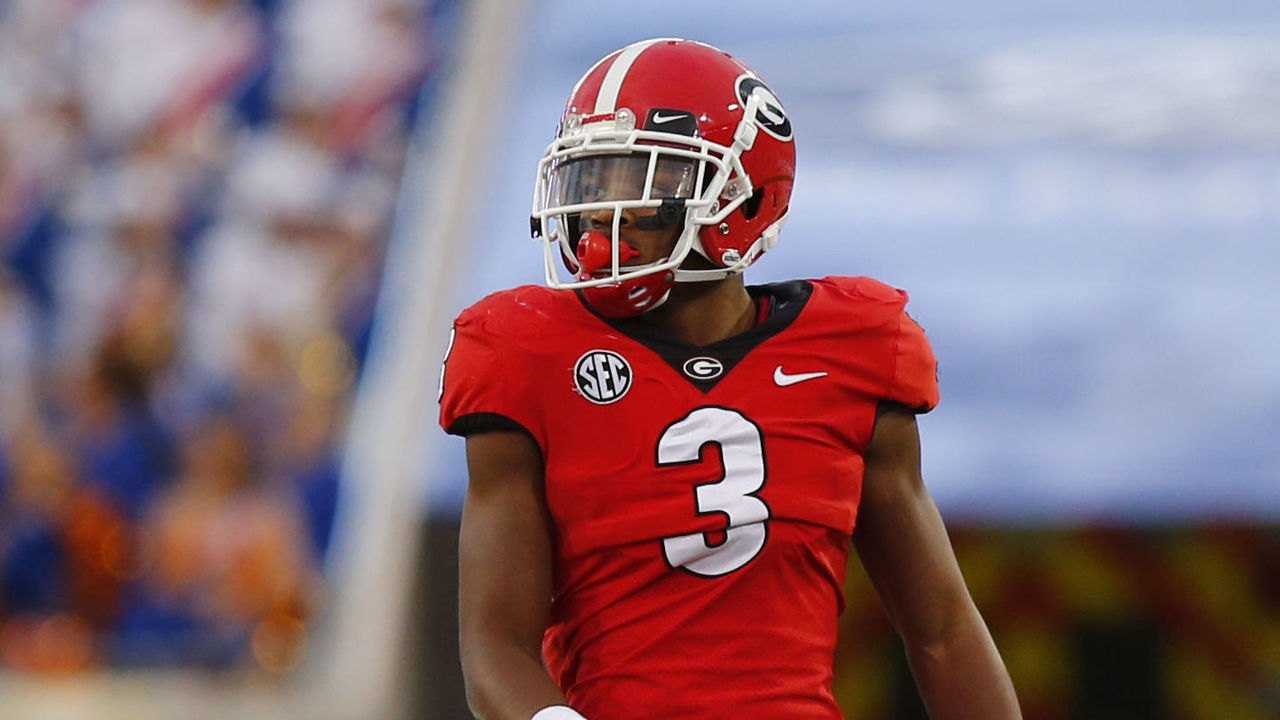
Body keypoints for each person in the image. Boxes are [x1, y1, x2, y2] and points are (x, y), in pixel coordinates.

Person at [438, 38, 1021, 720]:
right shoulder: (524, 352)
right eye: (590, 182)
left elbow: (942, 630)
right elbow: (495, 649)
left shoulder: (855, 347)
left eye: (638, 180)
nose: (599, 214)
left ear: (744, 195)